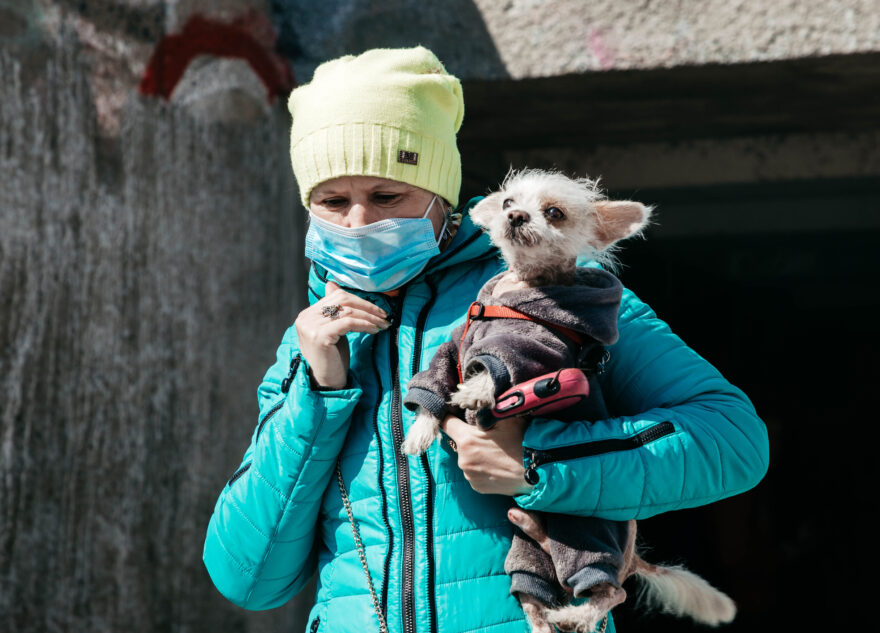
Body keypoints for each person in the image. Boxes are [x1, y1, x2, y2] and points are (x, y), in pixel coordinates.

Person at [202, 46, 769, 633]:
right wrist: (318, 391)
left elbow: (732, 441)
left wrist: (536, 461)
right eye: (333, 201)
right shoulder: (313, 341)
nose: (358, 223)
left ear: (441, 194)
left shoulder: (560, 293)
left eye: (388, 197)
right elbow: (248, 579)